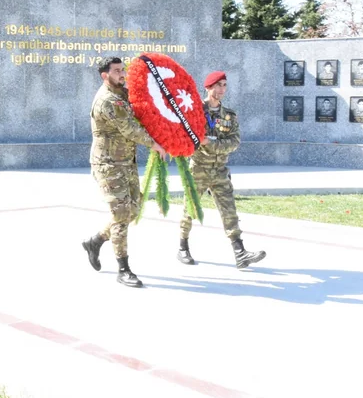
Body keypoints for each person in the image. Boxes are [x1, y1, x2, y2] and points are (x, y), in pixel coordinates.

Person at [80, 57, 166, 288]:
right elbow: (130, 128)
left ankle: (95, 241)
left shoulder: (122, 94)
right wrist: (154, 144)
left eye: (122, 70)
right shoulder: (107, 100)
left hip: (126, 162)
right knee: (121, 215)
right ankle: (123, 268)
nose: (122, 74)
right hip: (108, 165)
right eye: (117, 71)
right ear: (104, 75)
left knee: (133, 211)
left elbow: (144, 111)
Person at [177, 71, 266, 269]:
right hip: (198, 168)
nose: (222, 90)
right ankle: (183, 247)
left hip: (220, 170)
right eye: (218, 85)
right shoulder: (195, 111)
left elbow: (234, 142)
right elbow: (185, 137)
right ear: (208, 88)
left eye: (224, 85)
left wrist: (210, 143)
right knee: (190, 209)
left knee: (229, 211)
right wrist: (204, 143)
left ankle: (240, 252)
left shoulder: (229, 115)